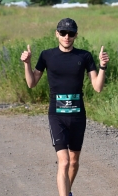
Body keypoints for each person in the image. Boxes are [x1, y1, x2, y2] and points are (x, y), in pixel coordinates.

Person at [20, 18, 109, 196]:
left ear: (76, 35)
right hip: (57, 114)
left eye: (70, 33)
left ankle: (67, 191)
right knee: (64, 161)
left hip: (77, 115)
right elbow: (31, 83)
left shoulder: (84, 56)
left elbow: (97, 87)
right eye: (62, 33)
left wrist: (102, 66)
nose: (66, 37)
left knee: (74, 161)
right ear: (56, 34)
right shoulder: (47, 55)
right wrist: (27, 64)